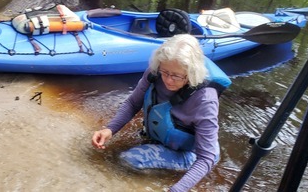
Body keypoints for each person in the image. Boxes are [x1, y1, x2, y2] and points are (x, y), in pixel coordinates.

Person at [91, 34, 231, 191]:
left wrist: (177, 189)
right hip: (165, 139)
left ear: (191, 72)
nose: (168, 80)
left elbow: (206, 158)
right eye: (165, 72)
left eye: (176, 75)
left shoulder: (205, 100)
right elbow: (132, 103)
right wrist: (110, 129)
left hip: (194, 153)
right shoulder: (155, 73)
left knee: (129, 160)